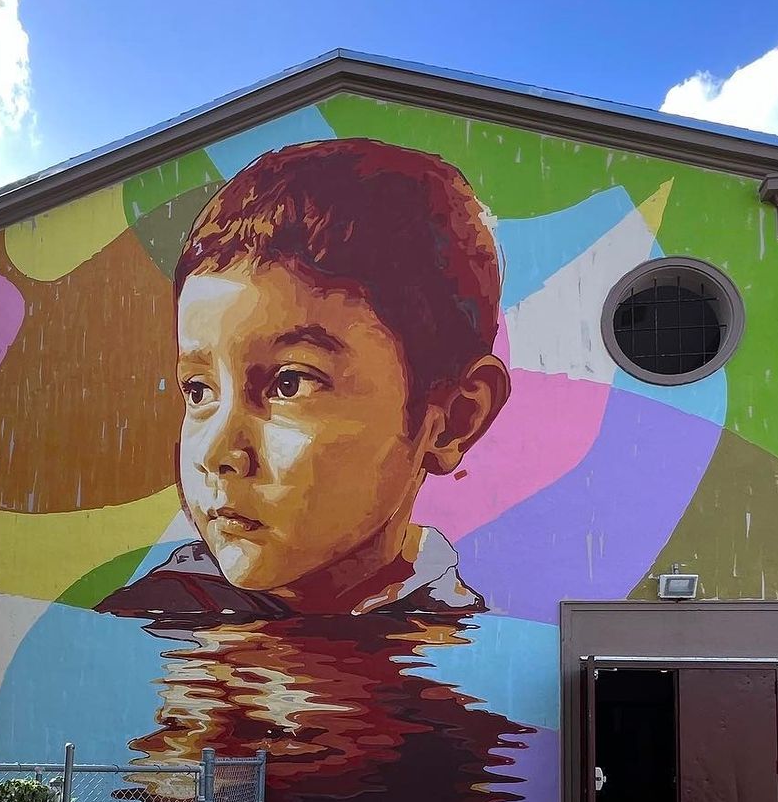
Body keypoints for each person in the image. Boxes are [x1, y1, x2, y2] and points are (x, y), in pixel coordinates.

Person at [98, 137, 510, 621]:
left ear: (455, 419)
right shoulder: (149, 624)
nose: (217, 454)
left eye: (289, 384)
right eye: (199, 390)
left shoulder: (456, 635)